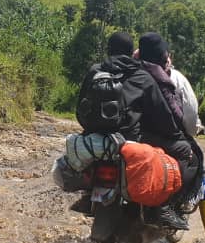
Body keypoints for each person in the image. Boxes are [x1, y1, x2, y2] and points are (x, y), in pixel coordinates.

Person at [72, 32, 191, 230]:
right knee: (183, 151)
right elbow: (161, 114)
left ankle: (87, 196)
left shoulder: (95, 71)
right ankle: (162, 206)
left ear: (108, 50)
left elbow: (80, 108)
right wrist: (176, 135)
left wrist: (90, 130)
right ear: (131, 52)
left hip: (95, 139)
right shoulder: (141, 75)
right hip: (129, 141)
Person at [137, 32, 205, 243]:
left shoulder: (130, 72)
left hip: (133, 138)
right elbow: (189, 118)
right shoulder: (174, 77)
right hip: (168, 140)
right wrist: (192, 131)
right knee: (201, 168)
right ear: (164, 55)